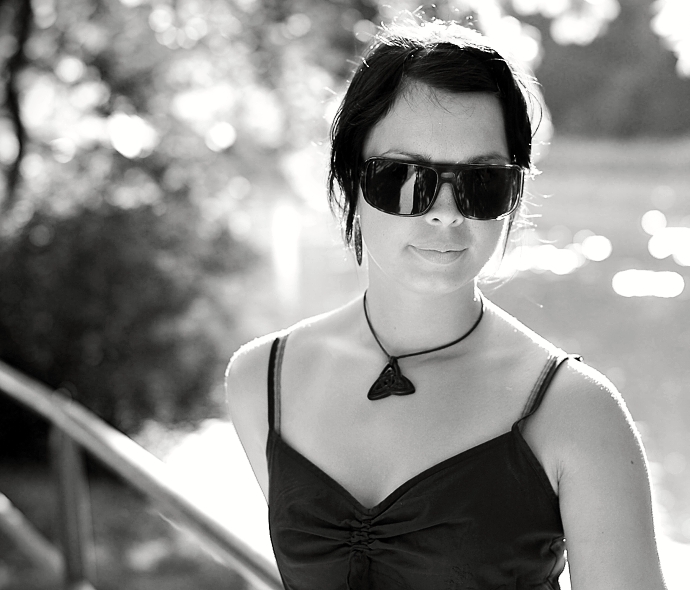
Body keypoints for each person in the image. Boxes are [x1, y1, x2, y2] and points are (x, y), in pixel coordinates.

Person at [226, 18, 666, 590]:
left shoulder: (577, 413)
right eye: (405, 177)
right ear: (350, 179)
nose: (446, 212)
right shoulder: (261, 381)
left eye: (483, 181)